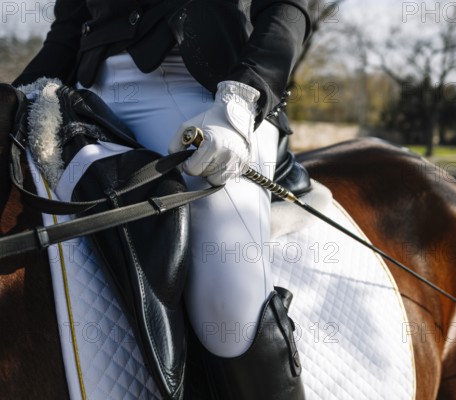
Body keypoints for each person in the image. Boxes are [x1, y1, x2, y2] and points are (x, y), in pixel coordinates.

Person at [14, 0, 310, 399]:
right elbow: (70, 28)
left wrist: (242, 98)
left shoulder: (228, 99)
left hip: (206, 97)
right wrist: (15, 97)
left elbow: (287, 8)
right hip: (86, 106)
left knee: (228, 308)